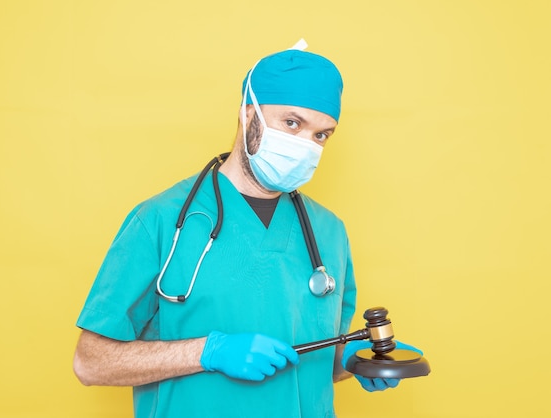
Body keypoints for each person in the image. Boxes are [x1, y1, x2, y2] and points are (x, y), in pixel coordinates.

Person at [73, 41, 418, 417]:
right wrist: (207, 352)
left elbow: (312, 361)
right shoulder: (159, 220)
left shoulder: (328, 232)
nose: (306, 145)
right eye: (292, 122)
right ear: (247, 113)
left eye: (321, 135)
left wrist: (354, 360)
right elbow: (91, 362)